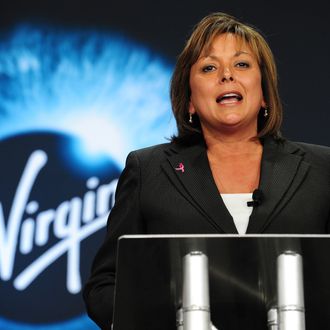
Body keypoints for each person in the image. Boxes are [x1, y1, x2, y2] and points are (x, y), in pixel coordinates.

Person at [83, 12, 330, 329]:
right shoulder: (148, 170)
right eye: (209, 67)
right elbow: (105, 284)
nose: (227, 75)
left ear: (265, 93)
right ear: (190, 102)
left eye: (241, 64)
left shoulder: (321, 168)